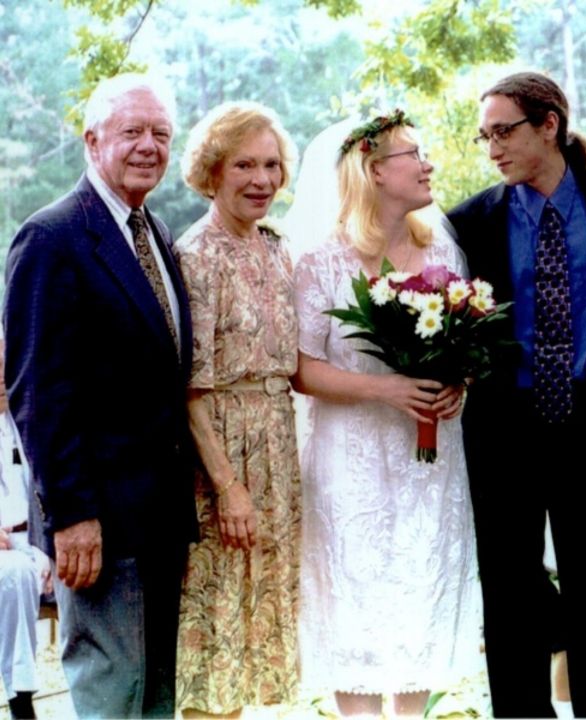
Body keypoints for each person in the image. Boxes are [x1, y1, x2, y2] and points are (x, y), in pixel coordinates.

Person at [3, 72, 195, 718]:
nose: (149, 146)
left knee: (159, 694)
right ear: (92, 141)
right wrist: (73, 515)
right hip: (100, 519)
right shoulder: (52, 238)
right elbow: (39, 396)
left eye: (161, 134)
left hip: (161, 516)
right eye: (132, 131)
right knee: (113, 689)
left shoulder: (156, 234)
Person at [448, 71, 586, 717]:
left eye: (504, 131)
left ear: (549, 124)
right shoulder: (469, 222)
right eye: (485, 136)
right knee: (509, 588)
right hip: (505, 426)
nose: (493, 147)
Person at [291, 110, 483, 719]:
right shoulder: (320, 262)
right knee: (358, 599)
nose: (428, 165)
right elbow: (302, 369)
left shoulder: (442, 248)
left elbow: (465, 342)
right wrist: (387, 391)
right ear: (374, 171)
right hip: (350, 460)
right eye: (414, 154)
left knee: (419, 591)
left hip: (428, 460)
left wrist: (459, 385)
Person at [171, 101, 302, 718]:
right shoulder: (198, 255)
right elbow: (191, 387)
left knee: (258, 627)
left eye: (272, 165)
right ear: (212, 172)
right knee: (218, 618)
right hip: (224, 458)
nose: (262, 180)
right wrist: (229, 488)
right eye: (244, 165)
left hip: (277, 448)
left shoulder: (275, 248)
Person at [0, 335, 50, 720]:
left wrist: (48, 549)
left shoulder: (30, 421)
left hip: (34, 542)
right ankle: (21, 697)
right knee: (15, 575)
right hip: (6, 553)